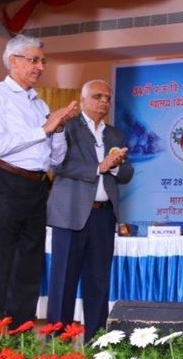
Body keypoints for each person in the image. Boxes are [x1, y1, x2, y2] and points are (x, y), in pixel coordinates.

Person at [0, 34, 77, 326]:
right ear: (13, 62)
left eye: (43, 61)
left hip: (37, 185)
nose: (41, 66)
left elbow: (55, 160)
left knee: (29, 264)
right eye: (34, 60)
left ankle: (20, 334)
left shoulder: (40, 104)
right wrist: (45, 127)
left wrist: (57, 131)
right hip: (4, 179)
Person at [46, 80, 133, 341]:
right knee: (64, 282)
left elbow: (127, 173)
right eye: (97, 96)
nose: (104, 101)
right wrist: (100, 167)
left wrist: (115, 166)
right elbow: (59, 165)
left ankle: (96, 344)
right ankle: (57, 347)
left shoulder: (115, 134)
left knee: (98, 283)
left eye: (108, 97)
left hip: (104, 215)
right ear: (83, 100)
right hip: (70, 215)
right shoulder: (68, 127)